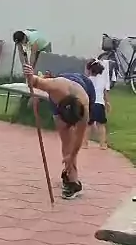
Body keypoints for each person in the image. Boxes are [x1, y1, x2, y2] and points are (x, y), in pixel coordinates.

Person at [22, 62, 95, 200]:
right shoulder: (55, 86)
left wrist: (72, 156)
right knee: (66, 140)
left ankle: (72, 178)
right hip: (61, 91)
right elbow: (34, 81)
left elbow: (79, 137)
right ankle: (71, 178)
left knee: (73, 145)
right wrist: (29, 74)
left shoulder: (84, 110)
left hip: (85, 86)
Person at [84, 58, 110, 149]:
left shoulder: (87, 80)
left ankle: (85, 143)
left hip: (91, 104)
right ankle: (102, 144)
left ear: (89, 70)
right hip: (100, 104)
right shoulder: (102, 81)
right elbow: (105, 93)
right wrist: (107, 103)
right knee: (101, 125)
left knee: (88, 125)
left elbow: (85, 93)